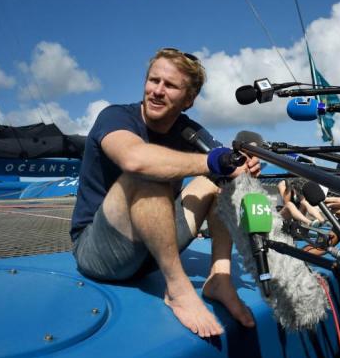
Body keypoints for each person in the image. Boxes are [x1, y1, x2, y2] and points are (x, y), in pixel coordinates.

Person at [70, 48, 260, 338]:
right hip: (98, 253)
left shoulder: (190, 132)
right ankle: (177, 289)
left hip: (152, 251)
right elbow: (135, 160)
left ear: (188, 100)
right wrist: (212, 161)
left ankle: (219, 278)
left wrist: (240, 167)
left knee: (218, 181)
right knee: (148, 171)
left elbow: (223, 164)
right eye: (153, 80)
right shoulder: (115, 117)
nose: (157, 91)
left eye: (170, 85)